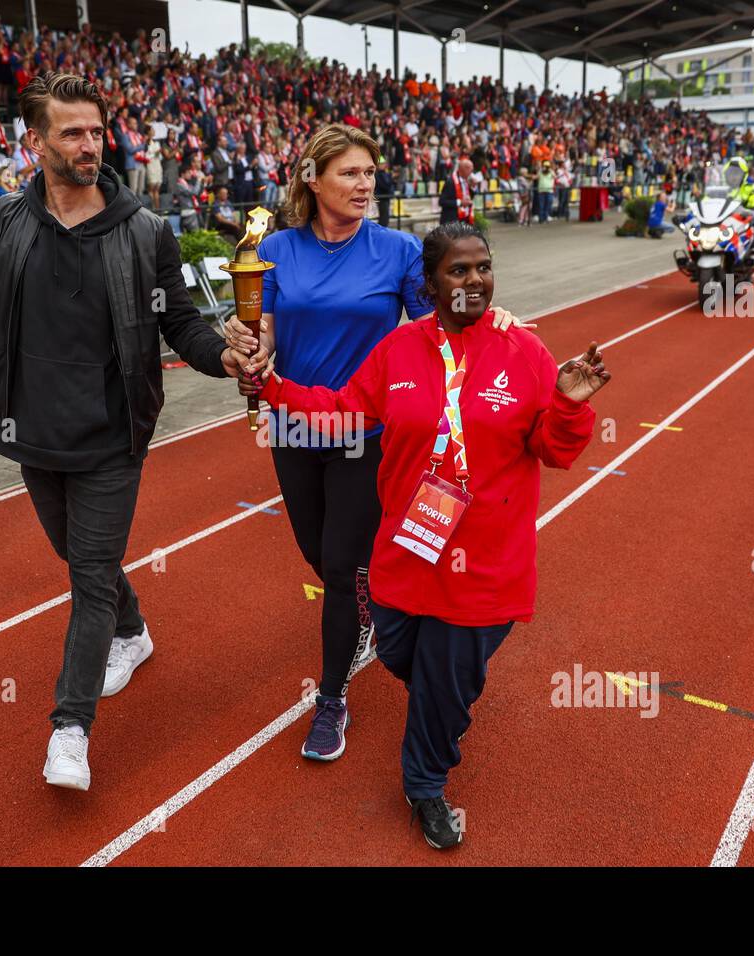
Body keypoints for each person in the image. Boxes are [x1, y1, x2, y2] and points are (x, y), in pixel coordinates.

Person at [0, 72, 266, 793]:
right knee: (76, 554)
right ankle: (134, 631)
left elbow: (178, 324)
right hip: (32, 431)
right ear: (37, 143)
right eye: (72, 132)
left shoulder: (144, 231)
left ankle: (70, 729)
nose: (90, 144)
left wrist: (224, 354)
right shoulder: (2, 222)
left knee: (89, 573)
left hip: (112, 434)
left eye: (96, 131)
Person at [242, 222, 610, 849]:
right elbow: (342, 412)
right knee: (399, 654)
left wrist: (571, 405)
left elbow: (554, 449)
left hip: (489, 561)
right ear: (430, 283)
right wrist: (270, 387)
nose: (474, 281)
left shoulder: (523, 351)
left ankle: (425, 783)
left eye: (483, 268)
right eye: (458, 272)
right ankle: (442, 707)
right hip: (409, 549)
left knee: (444, 678)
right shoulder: (398, 349)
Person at [222, 123, 530, 763]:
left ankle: (330, 697)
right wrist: (247, 345)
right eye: (351, 174)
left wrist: (488, 315)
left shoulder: (395, 250)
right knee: (317, 551)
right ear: (313, 180)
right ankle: (369, 606)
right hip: (295, 423)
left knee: (339, 567)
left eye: (370, 173)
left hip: (367, 430)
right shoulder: (275, 248)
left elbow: (440, 318)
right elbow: (268, 333)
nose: (366, 185)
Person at [439, 157, 474, 225]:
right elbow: (442, 202)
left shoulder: (466, 180)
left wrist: (473, 187)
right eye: (470, 170)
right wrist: (460, 202)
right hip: (451, 221)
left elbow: (470, 197)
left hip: (464, 219)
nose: (471, 173)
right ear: (464, 169)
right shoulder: (451, 182)